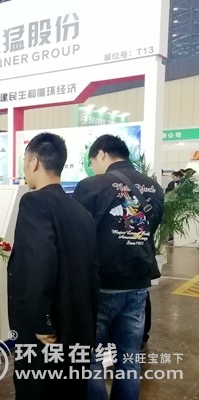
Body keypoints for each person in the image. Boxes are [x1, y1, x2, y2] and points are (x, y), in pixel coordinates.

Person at [7, 132, 98, 400]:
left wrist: (42, 320)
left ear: (34, 161)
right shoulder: (81, 212)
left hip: (46, 332)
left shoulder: (34, 202)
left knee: (36, 389)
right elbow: (92, 273)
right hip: (78, 325)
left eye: (25, 161)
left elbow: (40, 262)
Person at [73, 134, 163, 400]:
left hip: (101, 286)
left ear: (101, 154)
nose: (93, 167)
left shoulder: (90, 186)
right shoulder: (154, 187)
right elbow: (150, 231)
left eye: (92, 161)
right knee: (129, 359)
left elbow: (78, 235)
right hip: (137, 287)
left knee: (92, 360)